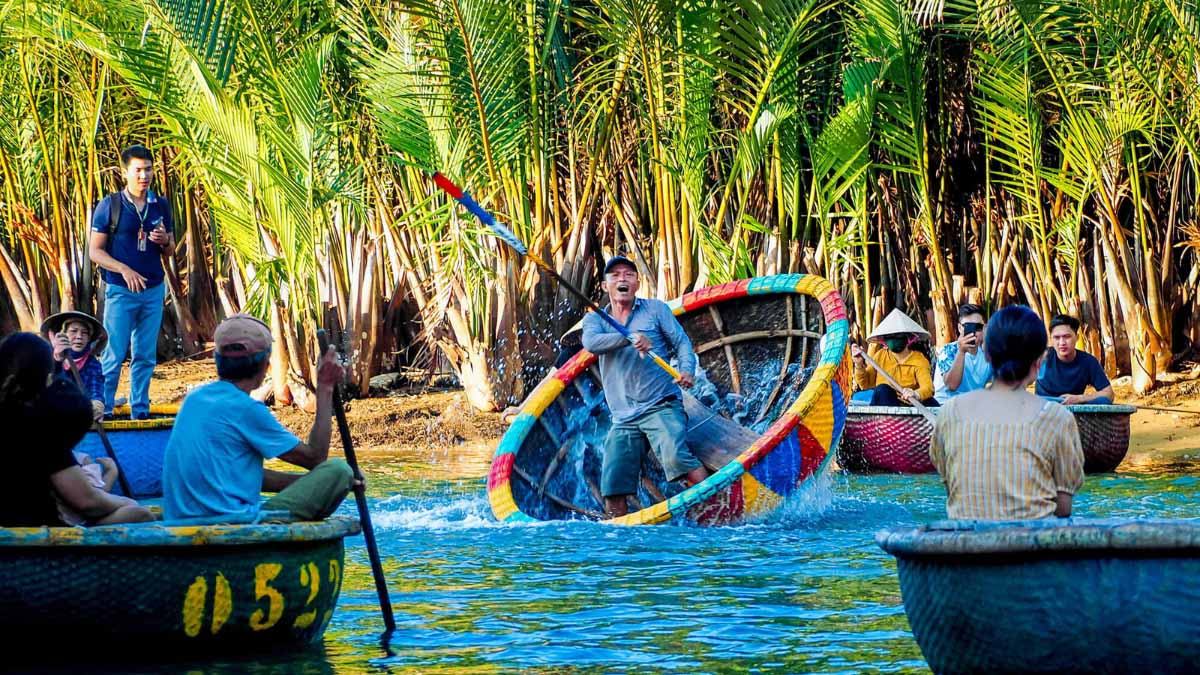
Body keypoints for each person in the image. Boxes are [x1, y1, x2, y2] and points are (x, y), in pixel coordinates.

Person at [162, 314, 355, 522]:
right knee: (339, 470)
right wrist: (325, 388)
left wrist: (310, 484)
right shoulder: (245, 409)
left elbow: (242, 476)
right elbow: (315, 458)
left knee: (332, 477)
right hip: (231, 526)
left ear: (218, 361)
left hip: (182, 521)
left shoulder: (194, 399)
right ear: (264, 364)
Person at [581, 256, 708, 518]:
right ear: (606, 286)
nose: (622, 279)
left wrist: (686, 370)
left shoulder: (655, 310)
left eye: (628, 274)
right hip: (624, 417)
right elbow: (592, 344)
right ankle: (623, 543)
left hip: (661, 404)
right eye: (615, 276)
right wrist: (628, 338)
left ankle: (715, 510)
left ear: (637, 283)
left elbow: (682, 343)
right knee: (613, 488)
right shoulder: (596, 320)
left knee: (675, 458)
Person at [930, 306, 1084, 520]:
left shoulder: (949, 414)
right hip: (1030, 546)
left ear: (989, 355)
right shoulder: (1058, 418)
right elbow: (1063, 508)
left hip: (967, 547)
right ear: (1039, 360)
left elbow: (952, 490)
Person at [0, 332, 153, 527]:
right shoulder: (38, 426)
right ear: (46, 379)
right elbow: (88, 502)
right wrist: (127, 502)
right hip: (32, 531)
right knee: (141, 515)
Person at [89, 144, 175, 420]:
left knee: (145, 355)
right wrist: (123, 269)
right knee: (114, 353)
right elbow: (95, 251)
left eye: (148, 169)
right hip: (120, 290)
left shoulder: (159, 204)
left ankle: (140, 410)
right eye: (138, 170)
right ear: (125, 172)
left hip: (152, 290)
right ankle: (104, 408)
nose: (144, 175)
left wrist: (165, 242)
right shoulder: (111, 205)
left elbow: (170, 249)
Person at [851, 308, 938, 407]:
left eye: (898, 336)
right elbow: (865, 384)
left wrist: (915, 394)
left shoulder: (918, 359)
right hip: (885, 406)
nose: (894, 339)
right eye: (890, 336)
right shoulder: (880, 356)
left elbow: (928, 387)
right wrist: (858, 365)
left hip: (909, 405)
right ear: (885, 340)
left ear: (908, 337)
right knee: (883, 389)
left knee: (931, 402)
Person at [41, 310, 106, 422]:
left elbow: (96, 388)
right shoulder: (49, 358)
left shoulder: (93, 365)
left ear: (90, 338)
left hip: (79, 415)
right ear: (64, 334)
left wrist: (97, 404)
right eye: (73, 331)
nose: (79, 337)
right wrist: (57, 360)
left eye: (84, 333)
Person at [1036, 314, 1115, 405]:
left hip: (1073, 409)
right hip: (1043, 409)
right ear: (1051, 339)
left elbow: (1109, 394)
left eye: (1067, 337)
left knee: (1104, 401)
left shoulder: (1088, 362)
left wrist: (1080, 398)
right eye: (1057, 338)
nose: (1062, 343)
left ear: (1077, 338)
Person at [933, 304, 993, 403]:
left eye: (977, 327)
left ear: (984, 328)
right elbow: (951, 385)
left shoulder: (987, 355)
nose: (973, 332)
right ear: (960, 328)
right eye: (968, 326)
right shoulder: (948, 350)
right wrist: (961, 352)